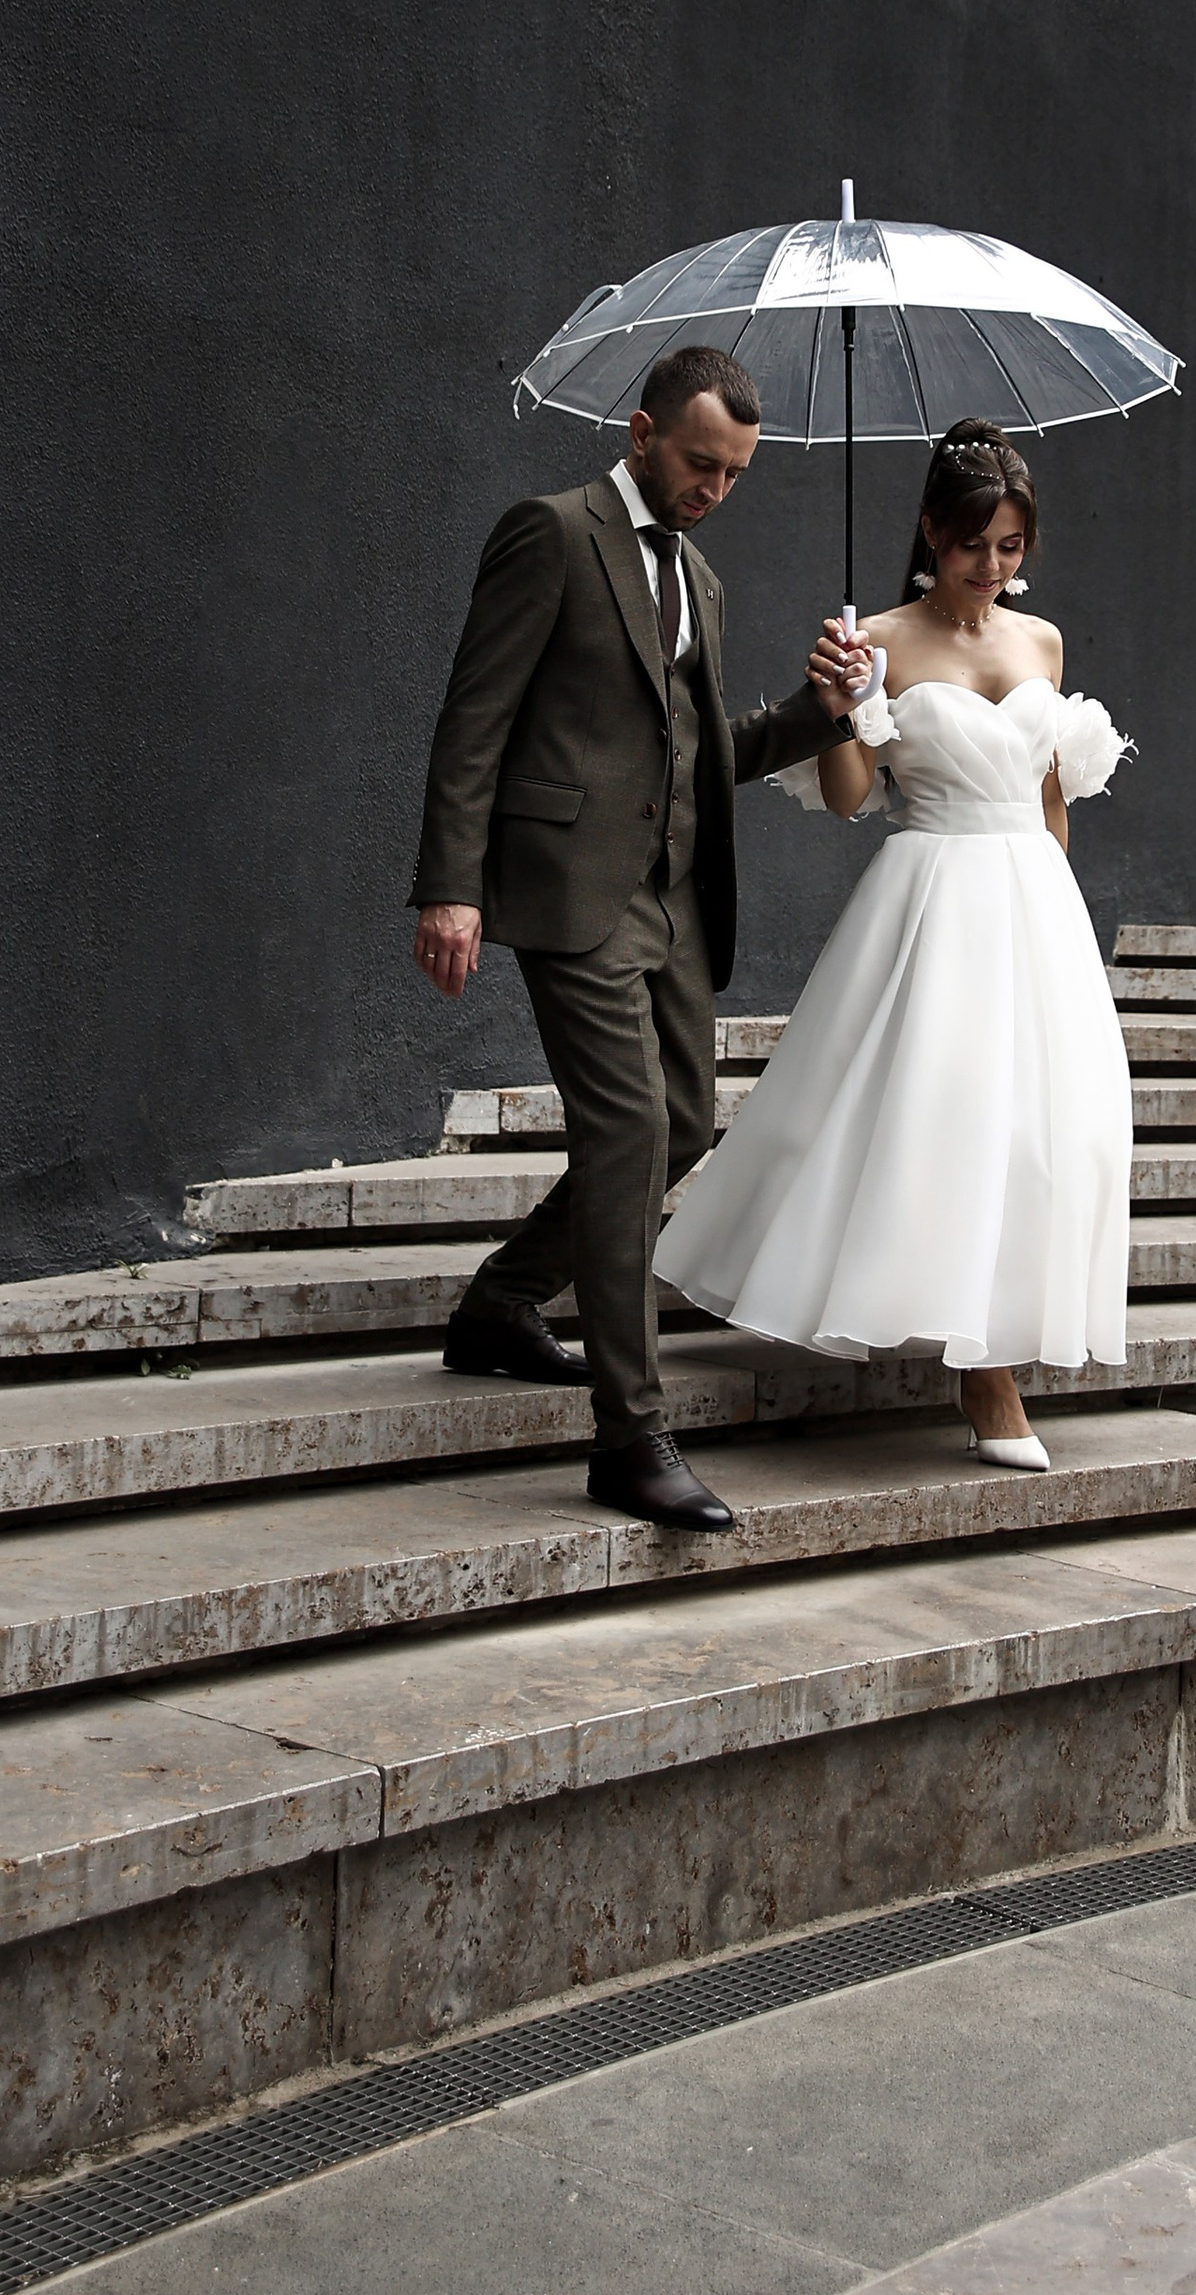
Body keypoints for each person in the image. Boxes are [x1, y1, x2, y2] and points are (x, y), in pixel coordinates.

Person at [409, 344, 870, 1530]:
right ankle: (631, 1436)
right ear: (641, 434)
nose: (715, 488)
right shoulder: (552, 533)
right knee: (624, 1130)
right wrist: (450, 886)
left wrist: (818, 713)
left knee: (680, 1128)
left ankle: (501, 1303)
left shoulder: (698, 579)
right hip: (569, 888)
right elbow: (475, 715)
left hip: (671, 898)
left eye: (735, 473)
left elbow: (703, 749)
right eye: (701, 463)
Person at [652, 420, 1132, 1470]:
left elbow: (1051, 800)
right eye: (972, 545)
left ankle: (992, 1336)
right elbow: (845, 800)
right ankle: (983, 1375)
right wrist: (846, 706)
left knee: (1051, 1132)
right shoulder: (874, 639)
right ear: (929, 529)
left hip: (1033, 903)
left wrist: (1059, 916)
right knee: (942, 1119)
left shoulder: (1041, 642)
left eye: (1010, 547)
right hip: (932, 896)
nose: (991, 567)